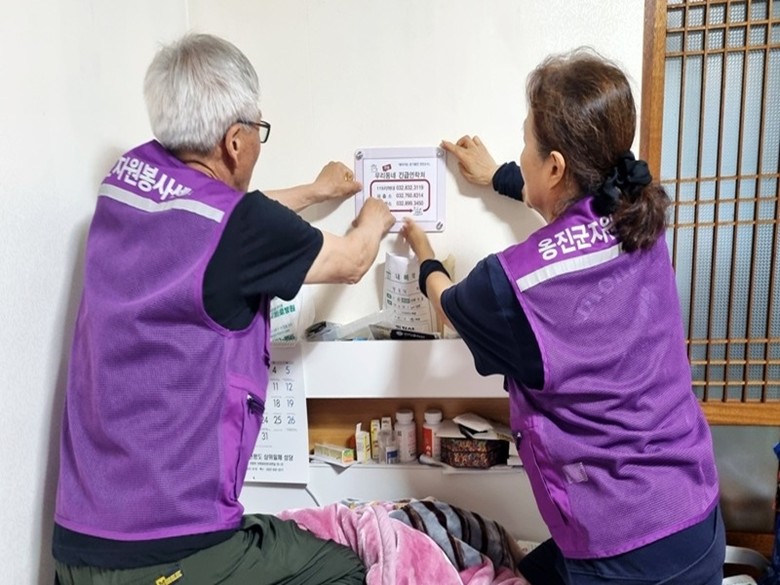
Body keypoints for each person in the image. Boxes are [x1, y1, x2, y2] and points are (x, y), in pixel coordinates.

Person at [53, 33, 394, 584]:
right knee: (347, 571)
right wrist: (375, 216)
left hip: (77, 544)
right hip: (167, 551)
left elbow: (225, 213)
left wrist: (312, 191)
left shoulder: (126, 179)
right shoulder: (240, 229)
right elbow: (352, 261)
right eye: (258, 130)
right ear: (236, 142)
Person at [403, 49, 725, 585]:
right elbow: (575, 217)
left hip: (623, 550)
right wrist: (501, 176)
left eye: (525, 143)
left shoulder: (512, 284)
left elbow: (448, 303)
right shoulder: (639, 217)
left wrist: (424, 257)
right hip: (695, 516)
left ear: (555, 167)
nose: (520, 154)